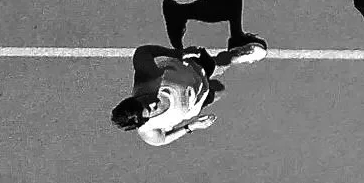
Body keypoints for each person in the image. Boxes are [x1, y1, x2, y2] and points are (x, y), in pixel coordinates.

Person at [110, 41, 265, 146]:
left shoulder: (147, 77)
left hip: (191, 70)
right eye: (150, 110)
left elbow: (143, 51)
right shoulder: (149, 131)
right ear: (143, 122)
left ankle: (236, 55)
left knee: (220, 64)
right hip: (196, 100)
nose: (152, 103)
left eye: (144, 101)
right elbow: (163, 139)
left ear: (135, 97)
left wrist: (176, 54)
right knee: (219, 89)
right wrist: (191, 127)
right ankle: (213, 80)